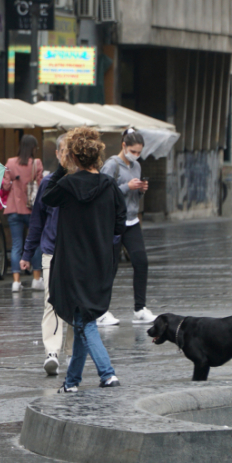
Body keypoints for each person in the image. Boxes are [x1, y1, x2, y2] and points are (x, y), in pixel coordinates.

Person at [44, 127, 126, 392]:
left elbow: (47, 198)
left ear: (75, 157)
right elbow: (119, 224)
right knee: (82, 319)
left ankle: (108, 373)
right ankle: (71, 382)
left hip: (73, 264)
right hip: (101, 262)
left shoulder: (67, 185)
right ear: (97, 156)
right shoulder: (110, 186)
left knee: (84, 321)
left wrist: (61, 167)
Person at [21, 134, 73, 376]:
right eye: (63, 151)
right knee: (51, 301)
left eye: (70, 151)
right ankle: (52, 352)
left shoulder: (83, 182)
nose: (66, 156)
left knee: (75, 304)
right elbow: (37, 219)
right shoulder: (48, 182)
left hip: (77, 253)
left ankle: (73, 353)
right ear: (57, 154)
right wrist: (27, 253)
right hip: (51, 250)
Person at [100, 128, 157, 325]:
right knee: (110, 267)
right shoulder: (111, 165)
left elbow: (133, 196)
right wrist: (127, 187)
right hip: (114, 222)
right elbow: (103, 192)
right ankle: (101, 311)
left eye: (139, 152)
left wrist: (141, 190)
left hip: (132, 220)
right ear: (123, 146)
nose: (136, 156)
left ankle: (140, 309)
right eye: (133, 151)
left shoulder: (137, 166)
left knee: (141, 261)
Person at [1, 134, 44, 292]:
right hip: (32, 210)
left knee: (16, 245)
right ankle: (36, 279)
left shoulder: (10, 163)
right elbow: (41, 184)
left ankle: (16, 282)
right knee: (35, 243)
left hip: (13, 209)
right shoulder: (36, 164)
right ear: (33, 148)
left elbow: (5, 186)